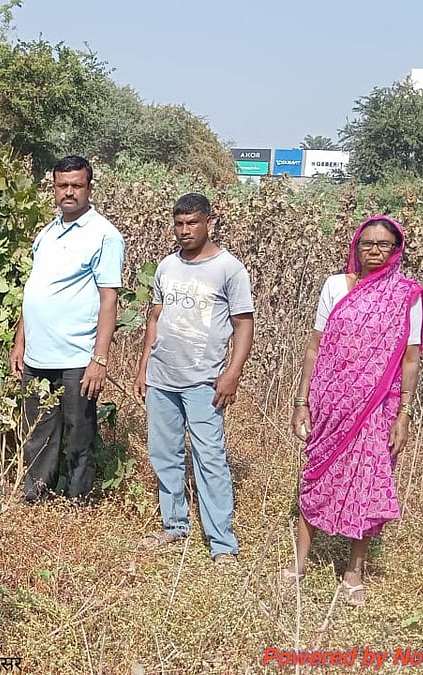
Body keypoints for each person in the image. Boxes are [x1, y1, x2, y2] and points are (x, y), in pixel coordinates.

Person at [283, 215, 423, 605]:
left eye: (383, 244)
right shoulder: (335, 286)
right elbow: (315, 346)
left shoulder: (406, 296)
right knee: (316, 474)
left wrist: (405, 414)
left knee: (368, 482)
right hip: (330, 402)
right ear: (355, 247)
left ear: (396, 250)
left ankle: (354, 571)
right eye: (367, 243)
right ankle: (299, 563)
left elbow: (410, 359)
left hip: (378, 407)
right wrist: (302, 400)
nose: (374, 251)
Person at [133, 193, 253, 564]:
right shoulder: (167, 266)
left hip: (204, 381)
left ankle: (222, 544)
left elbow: (243, 324)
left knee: (210, 457)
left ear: (209, 223)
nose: (184, 231)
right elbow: (154, 318)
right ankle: (174, 525)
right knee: (164, 453)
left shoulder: (229, 269)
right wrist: (143, 368)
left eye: (192, 223)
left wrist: (232, 373)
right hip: (162, 377)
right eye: (179, 223)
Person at [9, 155, 125, 505]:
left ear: (89, 188)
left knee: (79, 433)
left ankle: (77, 503)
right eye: (63, 185)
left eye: (77, 185)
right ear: (54, 189)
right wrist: (20, 343)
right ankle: (37, 496)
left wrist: (99, 359)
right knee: (39, 433)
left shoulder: (104, 235)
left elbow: (109, 301)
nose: (69, 192)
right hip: (38, 354)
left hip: (77, 356)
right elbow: (36, 290)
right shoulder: (47, 233)